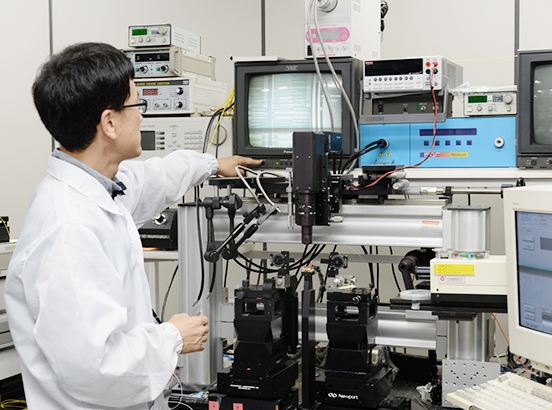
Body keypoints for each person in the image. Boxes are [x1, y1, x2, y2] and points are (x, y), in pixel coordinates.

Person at [3, 42, 261, 409]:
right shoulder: (68, 230)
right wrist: (173, 337)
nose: (141, 117)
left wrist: (213, 165)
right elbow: (96, 369)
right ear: (109, 122)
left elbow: (153, 178)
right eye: (137, 105)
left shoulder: (98, 186)